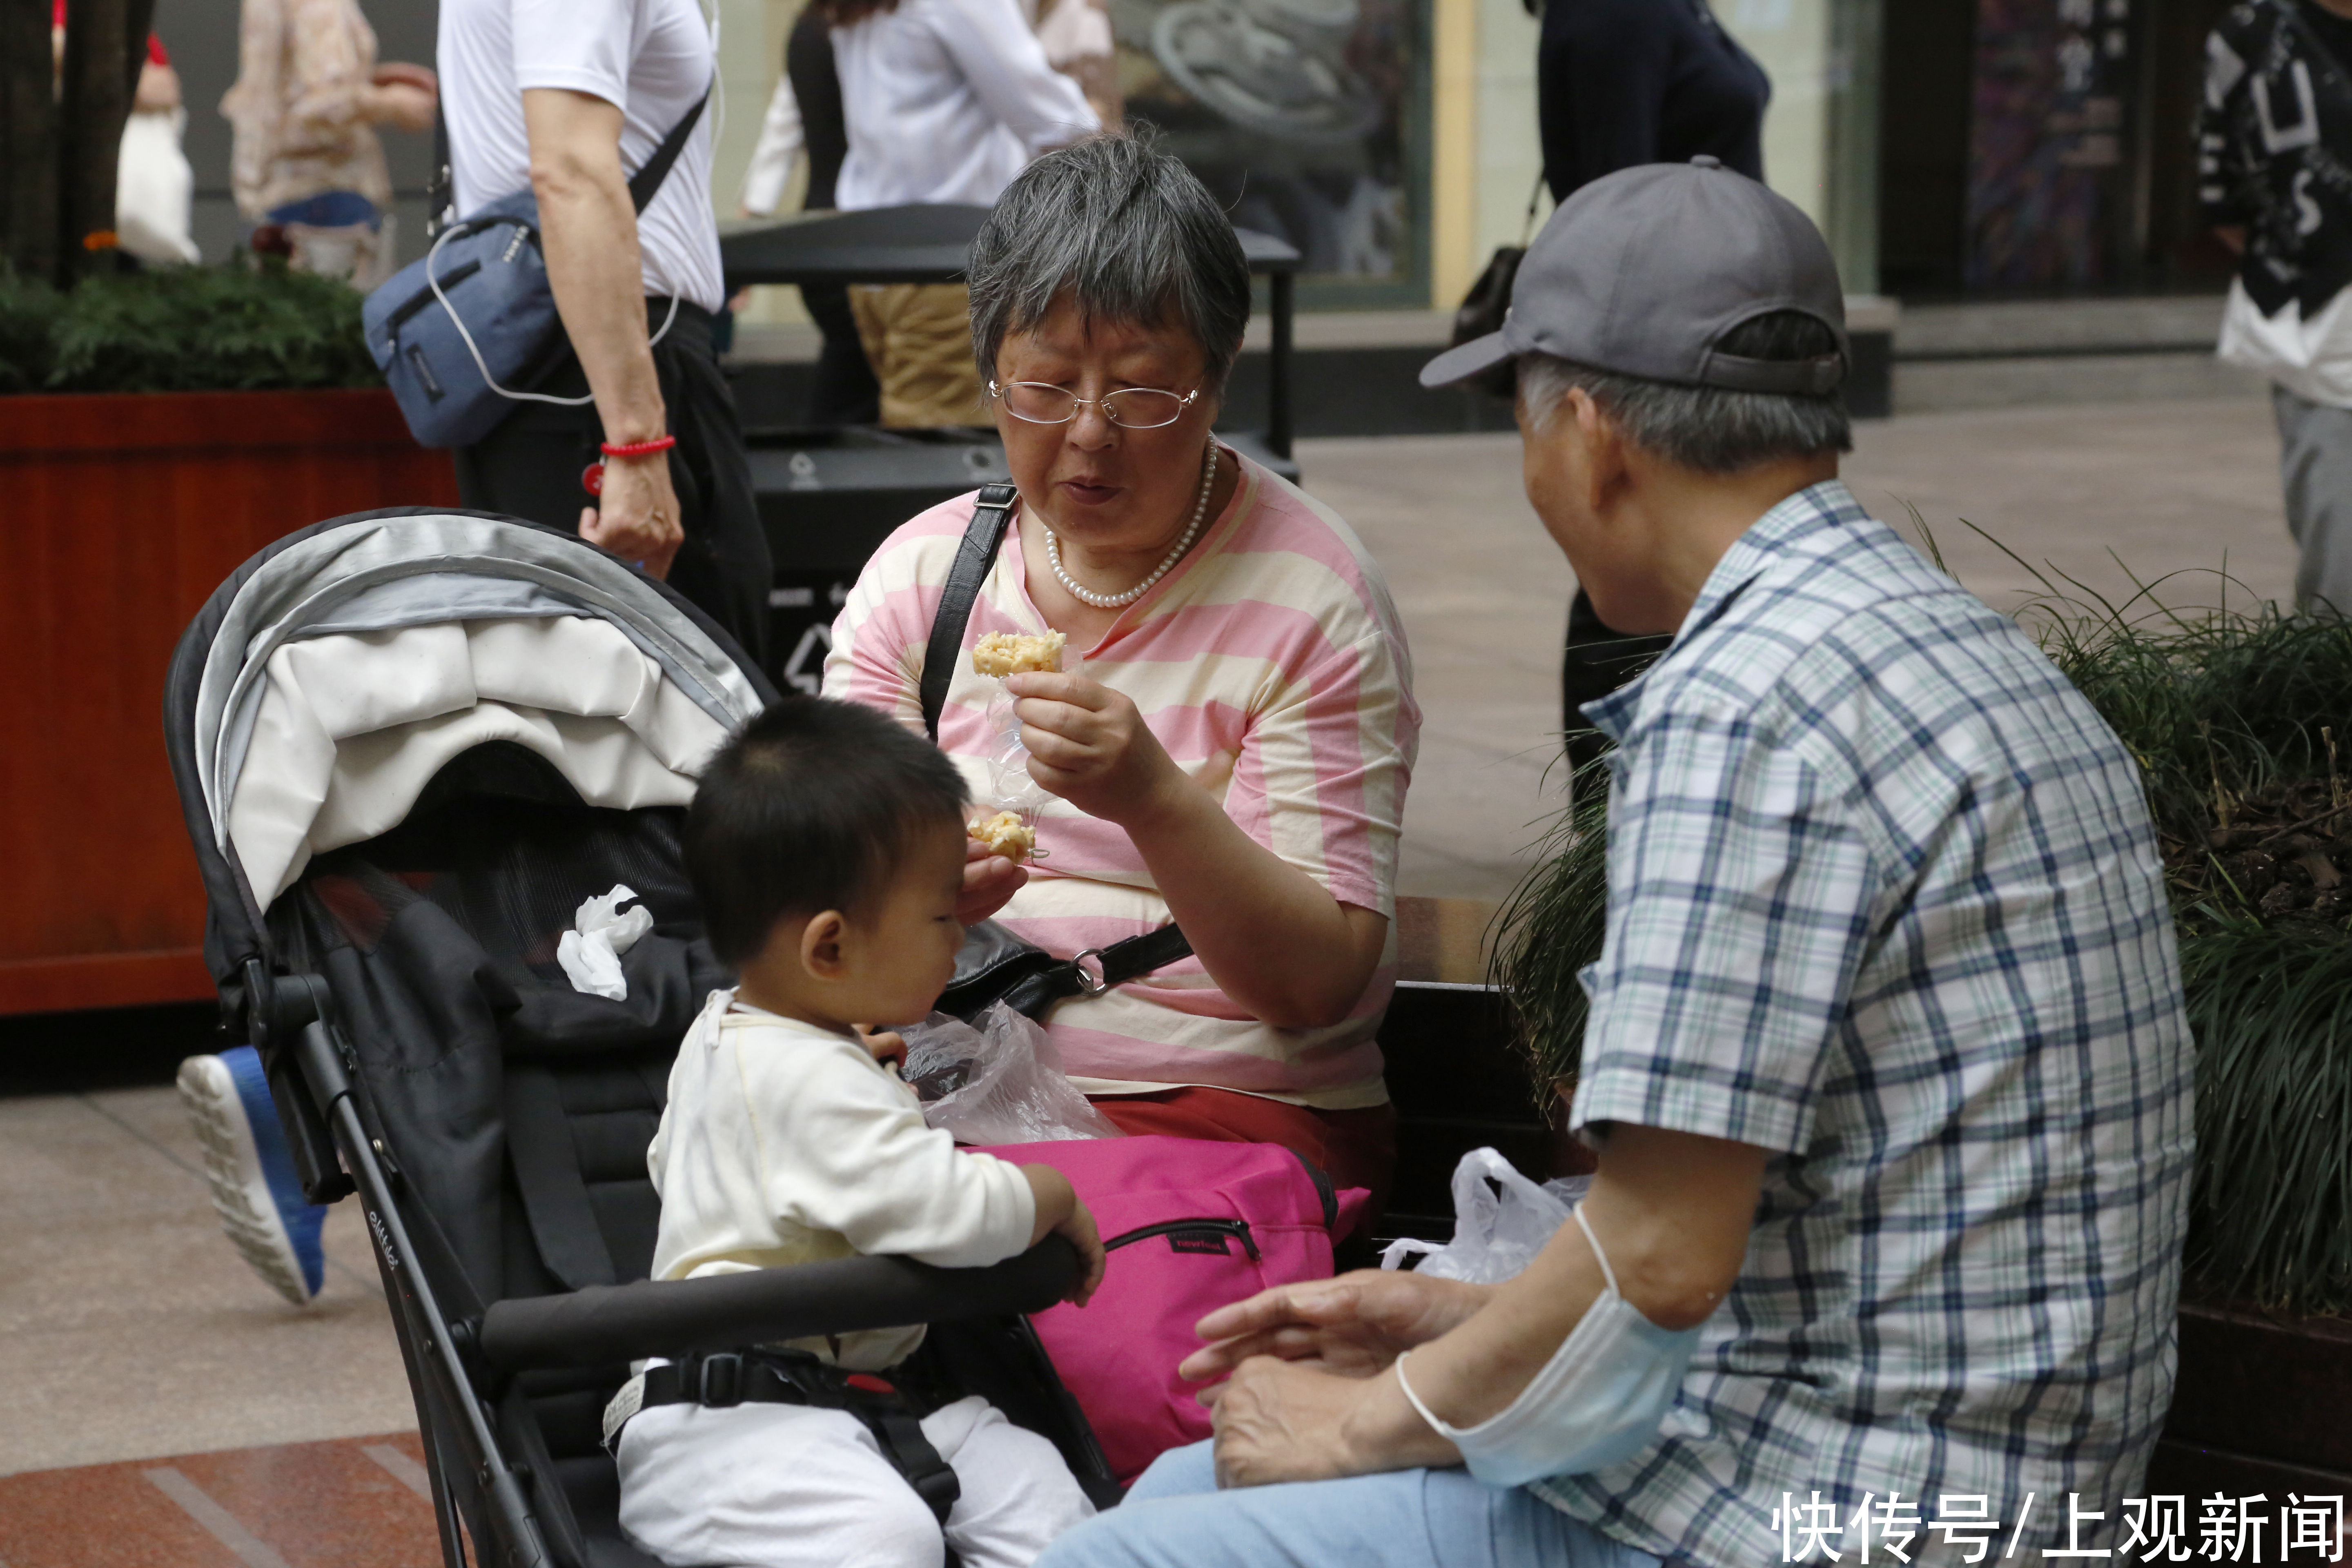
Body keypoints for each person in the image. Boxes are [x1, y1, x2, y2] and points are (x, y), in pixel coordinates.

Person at [1032, 159, 2194, 1568]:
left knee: (1111, 1553)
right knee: (1178, 1494)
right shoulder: (1959, 644)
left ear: (1587, 433)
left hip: (1823, 1508)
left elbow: (1660, 1254)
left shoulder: (1745, 706)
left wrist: (1373, 1421)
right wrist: (1459, 1321)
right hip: (1985, 1471)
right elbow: (1763, 1226)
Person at [825, 134, 1419, 1204]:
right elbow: (824, 913)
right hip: (942, 1086)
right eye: (1045, 391)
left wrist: (1148, 796)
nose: (1088, 436)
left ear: (1218, 379)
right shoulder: (920, 580)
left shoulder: (1313, 598)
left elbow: (1317, 986)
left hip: (1217, 1118)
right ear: (991, 377)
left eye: (1144, 395)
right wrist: (915, 899)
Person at [607, 693, 1105, 1568]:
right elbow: (941, 1211)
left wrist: (853, 1068)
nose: (962, 937)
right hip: (730, 1421)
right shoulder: (806, 1076)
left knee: (1038, 1492)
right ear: (830, 951)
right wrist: (1048, 1192)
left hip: (869, 1389)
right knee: (886, 1539)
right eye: (943, 918)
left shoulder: (736, 1032)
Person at [437, 0, 774, 663]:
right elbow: (569, 172)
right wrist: (637, 442)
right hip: (607, 364)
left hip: (579, 356)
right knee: (694, 703)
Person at [1536, 0, 1771, 764]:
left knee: (1674, 569)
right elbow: (1619, 199)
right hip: (1665, 349)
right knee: (1636, 571)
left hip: (1709, 338)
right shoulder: (1619, 12)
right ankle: (1612, 824)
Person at [817, 0, 1100, 426]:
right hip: (949, 262)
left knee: (916, 436)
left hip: (877, 259)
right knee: (948, 454)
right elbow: (1058, 121)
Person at [2201, 0, 2352, 615]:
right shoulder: (2255, 33)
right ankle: (2331, 705)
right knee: (2342, 555)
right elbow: (2223, 190)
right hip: (2323, 326)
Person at [219, 0, 436, 285]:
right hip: (324, 196)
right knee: (341, 322)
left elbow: (290, 88)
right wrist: (394, 103)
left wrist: (371, 81)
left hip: (277, 193)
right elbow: (320, 103)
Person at [739, 9, 883, 426]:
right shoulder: (875, 29)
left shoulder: (809, 27)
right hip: (871, 245)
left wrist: (754, 216)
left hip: (823, 237)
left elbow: (781, 131)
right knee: (868, 388)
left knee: (849, 380)